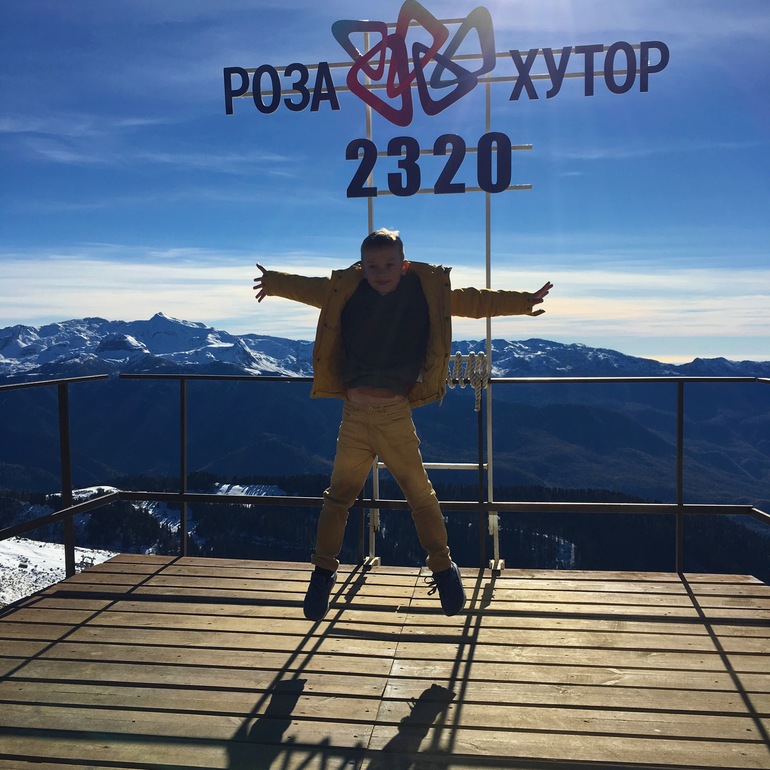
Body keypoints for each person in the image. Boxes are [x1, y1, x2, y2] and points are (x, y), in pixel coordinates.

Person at [253, 229, 552, 621]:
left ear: (404, 264)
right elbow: (310, 288)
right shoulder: (347, 289)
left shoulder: (426, 290)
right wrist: (274, 282)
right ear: (361, 267)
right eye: (372, 266)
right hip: (354, 416)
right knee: (339, 498)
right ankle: (323, 574)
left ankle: (443, 569)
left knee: (419, 496)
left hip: (394, 416)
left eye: (389, 264)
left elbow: (474, 300)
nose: (381, 273)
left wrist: (523, 302)